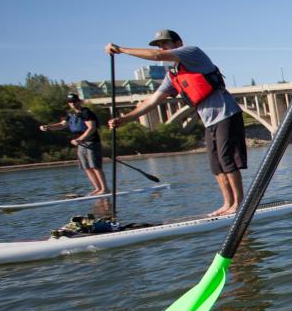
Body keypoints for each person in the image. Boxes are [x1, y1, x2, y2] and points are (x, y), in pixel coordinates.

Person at [105, 30, 247, 216]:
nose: (162, 48)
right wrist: (124, 119)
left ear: (178, 43)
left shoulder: (192, 52)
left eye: (165, 44)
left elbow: (156, 56)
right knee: (216, 165)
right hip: (209, 121)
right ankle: (227, 203)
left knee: (227, 160)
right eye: (159, 45)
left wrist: (121, 50)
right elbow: (152, 101)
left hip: (227, 114)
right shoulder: (172, 75)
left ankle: (240, 203)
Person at [40, 92, 107, 195]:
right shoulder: (71, 114)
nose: (73, 103)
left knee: (95, 166)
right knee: (86, 167)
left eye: (74, 101)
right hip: (81, 144)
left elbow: (92, 128)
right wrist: (48, 127)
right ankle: (97, 189)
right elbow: (62, 125)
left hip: (92, 142)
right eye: (70, 102)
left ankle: (104, 189)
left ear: (79, 101)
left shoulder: (86, 113)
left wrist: (80, 139)